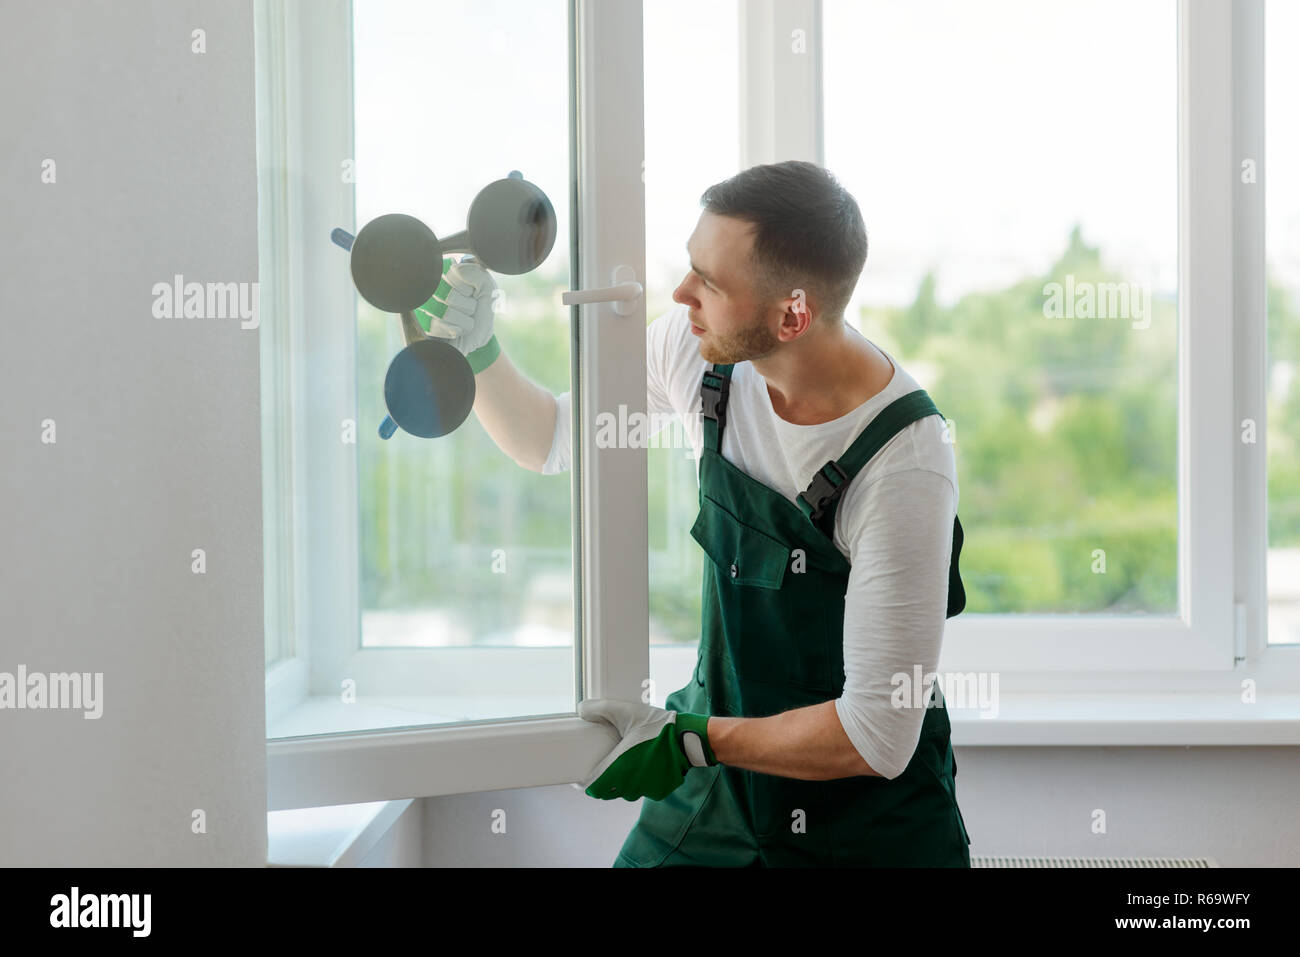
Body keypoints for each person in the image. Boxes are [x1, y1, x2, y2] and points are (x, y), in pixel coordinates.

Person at [425, 160, 970, 867]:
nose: (681, 293)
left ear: (792, 314)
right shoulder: (696, 353)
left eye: (709, 283)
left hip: (867, 824)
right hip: (716, 786)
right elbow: (552, 439)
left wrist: (690, 737)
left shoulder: (904, 462)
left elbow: (877, 733)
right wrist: (478, 350)